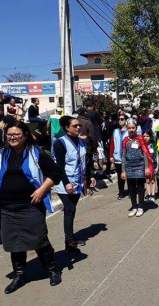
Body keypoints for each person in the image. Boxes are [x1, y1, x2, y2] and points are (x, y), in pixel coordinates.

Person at [0, 121, 62, 294]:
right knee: (14, 243)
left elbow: (55, 173)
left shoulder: (36, 153)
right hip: (7, 207)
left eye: (16, 134)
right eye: (9, 134)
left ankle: (52, 269)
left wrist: (42, 190)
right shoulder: (2, 154)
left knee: (39, 239)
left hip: (30, 206)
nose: (12, 137)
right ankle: (19, 275)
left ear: (25, 135)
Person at [53, 116, 95, 253]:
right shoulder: (60, 143)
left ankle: (70, 239)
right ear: (66, 127)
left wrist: (89, 178)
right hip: (64, 182)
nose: (78, 127)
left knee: (72, 210)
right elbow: (59, 167)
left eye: (79, 125)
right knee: (69, 209)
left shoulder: (81, 142)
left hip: (77, 181)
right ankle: (70, 242)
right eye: (75, 126)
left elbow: (85, 162)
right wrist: (66, 183)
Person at [121, 119, 154, 217]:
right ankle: (134, 206)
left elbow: (145, 153)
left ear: (136, 128)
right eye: (129, 128)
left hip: (140, 166)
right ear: (127, 128)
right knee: (131, 188)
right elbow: (123, 155)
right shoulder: (125, 140)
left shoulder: (140, 139)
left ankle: (141, 206)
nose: (131, 130)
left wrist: (147, 167)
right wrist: (123, 170)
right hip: (129, 167)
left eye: (133, 128)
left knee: (140, 187)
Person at [109, 115, 129, 200]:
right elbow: (112, 144)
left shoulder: (129, 131)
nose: (120, 121)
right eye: (119, 119)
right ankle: (121, 192)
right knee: (120, 176)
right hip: (117, 158)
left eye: (122, 119)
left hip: (128, 158)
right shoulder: (115, 131)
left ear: (126, 120)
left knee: (129, 175)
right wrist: (111, 155)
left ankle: (132, 192)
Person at [143, 129, 158, 201]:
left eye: (147, 136)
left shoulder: (153, 144)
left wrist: (157, 166)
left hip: (153, 164)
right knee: (147, 180)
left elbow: (157, 155)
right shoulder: (142, 145)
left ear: (150, 136)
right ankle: (148, 194)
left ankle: (153, 194)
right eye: (144, 136)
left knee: (153, 180)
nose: (145, 137)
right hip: (146, 165)